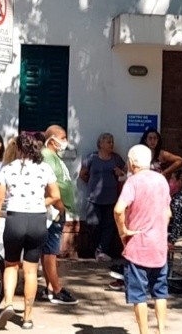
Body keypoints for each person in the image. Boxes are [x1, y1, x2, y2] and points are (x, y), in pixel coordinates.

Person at [0, 133, 63, 330]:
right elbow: (55, 195)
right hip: (37, 220)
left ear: (18, 149)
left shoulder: (8, 169)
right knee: (31, 270)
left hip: (15, 219)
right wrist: (41, 202)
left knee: (11, 265)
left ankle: (8, 303)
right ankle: (28, 318)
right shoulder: (45, 168)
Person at [114, 144, 172, 334]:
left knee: (138, 294)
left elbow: (118, 209)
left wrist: (123, 230)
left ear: (131, 163)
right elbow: (168, 213)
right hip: (159, 246)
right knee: (160, 291)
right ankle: (161, 330)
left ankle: (144, 332)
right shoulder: (162, 180)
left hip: (138, 245)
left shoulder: (133, 182)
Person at [39, 125, 79, 305]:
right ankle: (56, 289)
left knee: (49, 251)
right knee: (50, 252)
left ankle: (49, 287)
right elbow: (49, 183)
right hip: (54, 211)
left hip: (57, 210)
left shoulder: (54, 157)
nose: (65, 142)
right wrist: (59, 206)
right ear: (53, 140)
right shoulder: (47, 156)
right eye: (63, 138)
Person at [79, 132, 127, 262]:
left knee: (109, 225)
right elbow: (83, 174)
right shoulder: (92, 157)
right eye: (108, 142)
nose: (111, 144)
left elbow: (125, 173)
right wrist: (91, 184)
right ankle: (95, 248)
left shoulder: (116, 158)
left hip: (111, 198)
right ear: (100, 144)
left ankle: (102, 251)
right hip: (93, 198)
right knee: (93, 223)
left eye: (112, 141)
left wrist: (120, 173)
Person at [139, 128, 182, 193]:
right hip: (144, 185)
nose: (152, 141)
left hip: (158, 186)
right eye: (150, 138)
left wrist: (165, 172)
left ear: (158, 140)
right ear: (146, 140)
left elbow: (180, 160)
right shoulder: (140, 153)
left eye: (155, 138)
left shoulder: (161, 154)